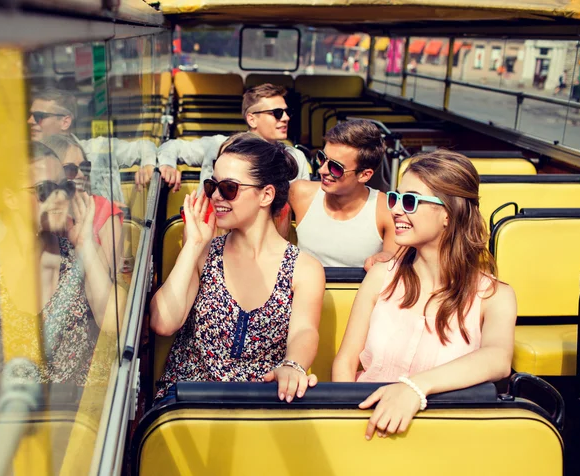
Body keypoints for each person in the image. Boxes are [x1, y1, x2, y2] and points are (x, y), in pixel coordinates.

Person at [332, 150, 516, 440]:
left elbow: (497, 358)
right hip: (366, 426)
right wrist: (346, 424)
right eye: (394, 198)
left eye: (409, 201)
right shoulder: (381, 276)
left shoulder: (494, 296)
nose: (395, 209)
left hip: (443, 438)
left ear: (448, 213)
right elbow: (345, 362)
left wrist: (415, 388)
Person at [151, 135, 325, 404]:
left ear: (266, 195)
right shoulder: (204, 253)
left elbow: (304, 331)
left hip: (261, 400)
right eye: (213, 186)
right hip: (191, 399)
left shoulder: (304, 268)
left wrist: (293, 364)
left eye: (229, 188)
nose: (216, 196)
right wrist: (193, 245)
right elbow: (163, 322)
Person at [0, 142, 124, 386]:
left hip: (76, 412)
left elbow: (115, 321)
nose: (60, 197)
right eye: (46, 189)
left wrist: (85, 244)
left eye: (65, 187)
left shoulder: (77, 255)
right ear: (10, 198)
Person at [154, 83, 310, 193]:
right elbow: (172, 146)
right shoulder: (219, 145)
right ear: (252, 119)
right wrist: (167, 165)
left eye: (286, 112)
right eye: (277, 113)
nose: (286, 118)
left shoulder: (296, 157)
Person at [288, 120, 397, 269]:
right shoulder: (299, 193)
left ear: (364, 175)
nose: (322, 170)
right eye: (321, 158)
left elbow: (394, 258)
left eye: (336, 167)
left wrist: (387, 258)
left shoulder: (386, 210)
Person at [28, 88, 157, 203]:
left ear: (65, 122)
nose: (30, 121)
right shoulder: (29, 164)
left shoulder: (99, 149)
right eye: (30, 115)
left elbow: (144, 147)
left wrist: (147, 166)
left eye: (38, 116)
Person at [42, 134, 123, 274]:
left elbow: (111, 279)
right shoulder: (40, 213)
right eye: (70, 169)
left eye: (84, 167)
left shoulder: (103, 210)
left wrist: (86, 244)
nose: (80, 175)